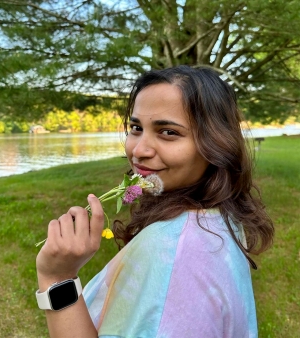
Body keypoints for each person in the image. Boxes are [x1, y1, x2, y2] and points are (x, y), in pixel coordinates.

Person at [36, 65, 274, 337]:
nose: (138, 150)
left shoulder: (172, 253)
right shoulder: (217, 217)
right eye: (136, 127)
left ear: (216, 143)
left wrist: (57, 278)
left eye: (168, 132)